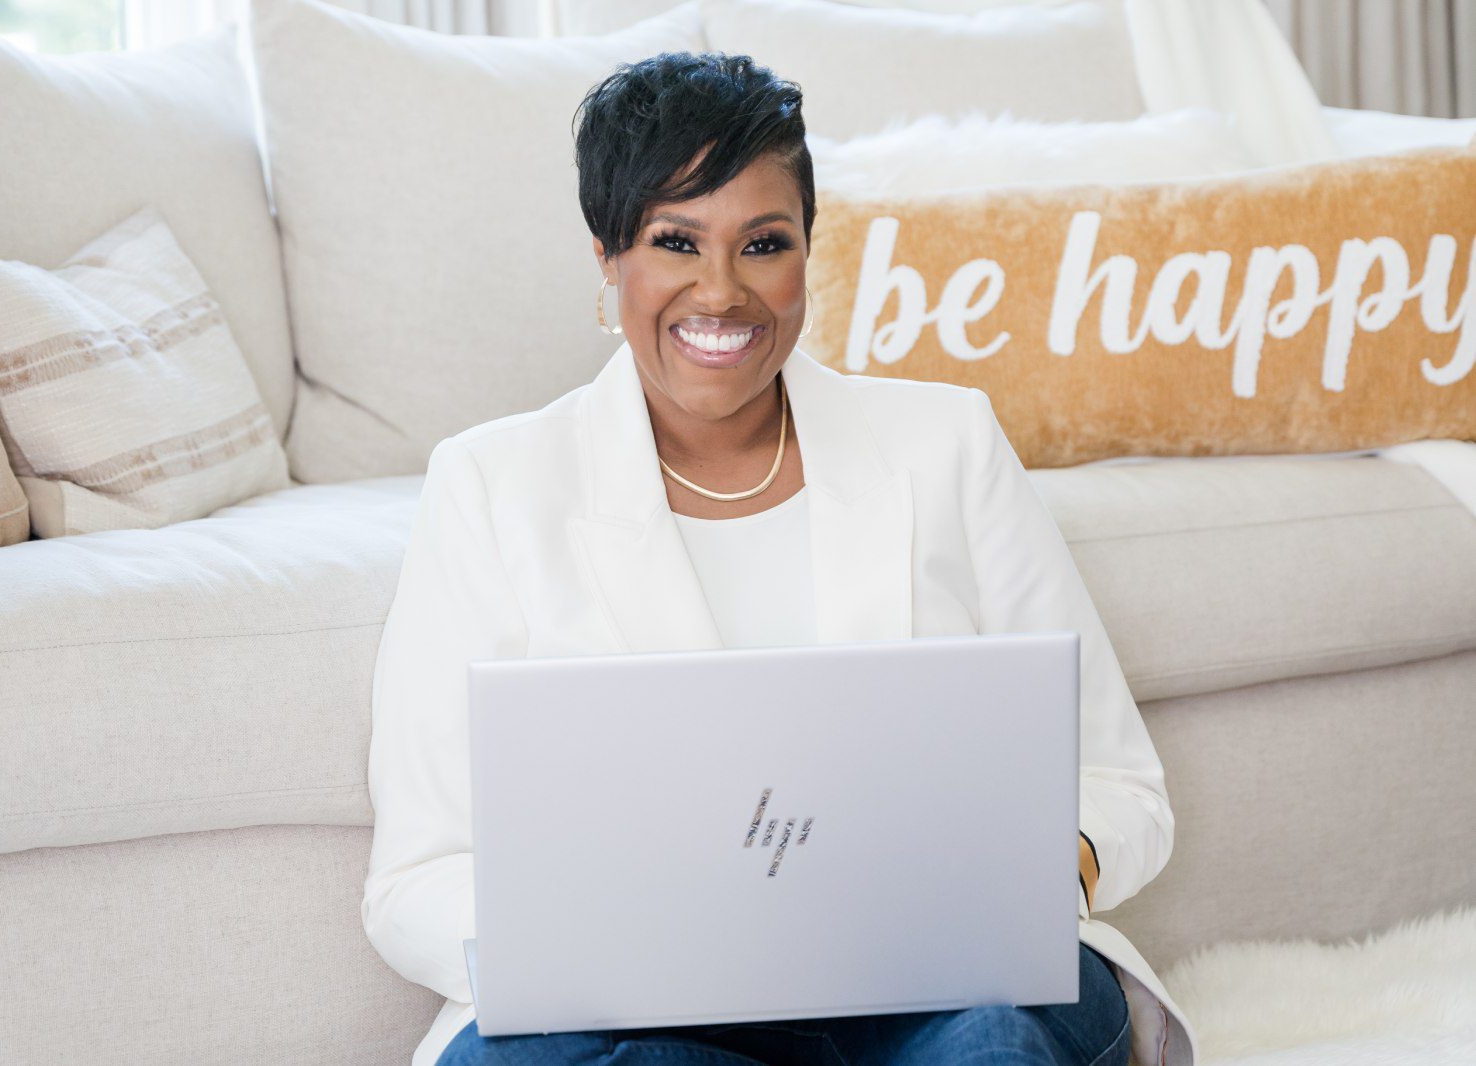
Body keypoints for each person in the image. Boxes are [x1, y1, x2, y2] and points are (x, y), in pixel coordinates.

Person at [363, 49, 1198, 1066]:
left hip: (939, 988)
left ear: (808, 249)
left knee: (996, 1041)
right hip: (648, 1014)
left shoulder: (948, 444)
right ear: (608, 258)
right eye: (675, 242)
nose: (721, 292)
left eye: (763, 243)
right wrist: (598, 947)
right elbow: (412, 880)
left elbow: (1117, 780)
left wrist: (1035, 874)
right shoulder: (491, 486)